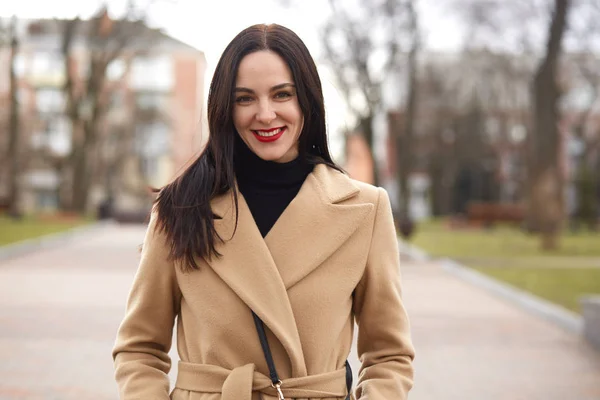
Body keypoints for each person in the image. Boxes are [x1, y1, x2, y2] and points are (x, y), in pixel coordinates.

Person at [112, 23, 415, 400]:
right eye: (245, 98)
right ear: (225, 107)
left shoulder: (365, 210)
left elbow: (389, 354)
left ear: (307, 99)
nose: (266, 114)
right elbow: (139, 347)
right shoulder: (181, 207)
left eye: (281, 94)